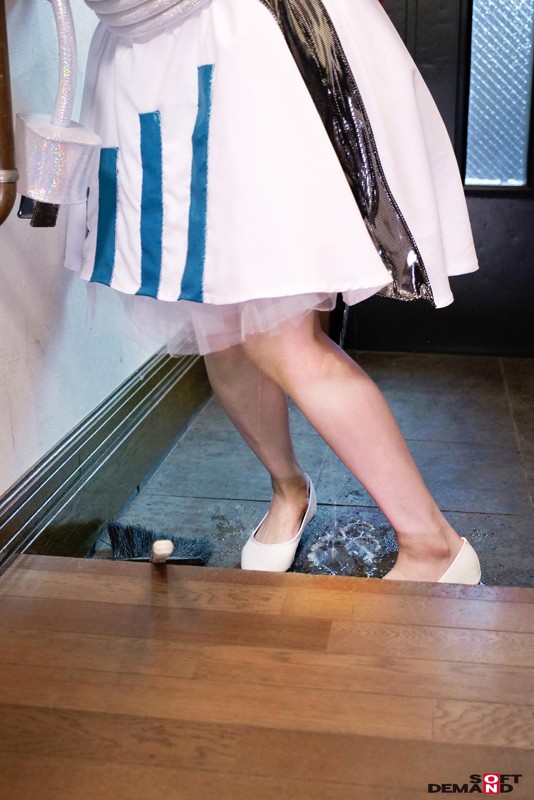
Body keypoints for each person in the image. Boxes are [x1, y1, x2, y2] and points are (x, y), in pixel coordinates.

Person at [65, 0, 481, 582]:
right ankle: (289, 489)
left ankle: (434, 544)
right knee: (221, 325)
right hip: (148, 58)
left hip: (245, 47)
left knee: (280, 339)